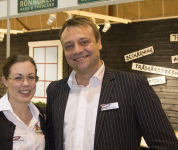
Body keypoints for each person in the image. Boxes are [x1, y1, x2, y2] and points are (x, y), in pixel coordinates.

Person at [45, 17, 178, 150]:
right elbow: (51, 142)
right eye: (69, 46)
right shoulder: (55, 90)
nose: (77, 50)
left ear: (99, 42)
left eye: (84, 42)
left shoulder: (133, 85)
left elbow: (166, 145)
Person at [0, 54, 46, 150]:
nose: (26, 83)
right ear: (5, 81)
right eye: (18, 78)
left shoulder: (40, 114)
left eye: (31, 77)